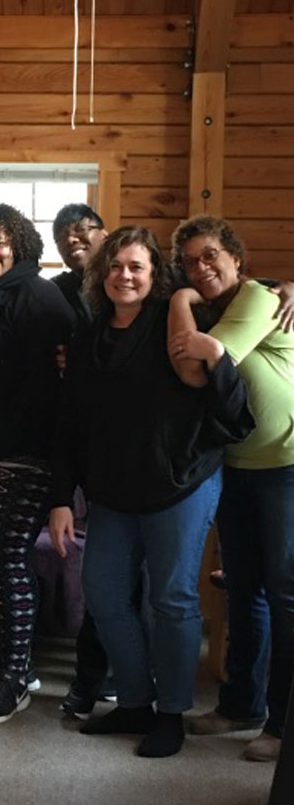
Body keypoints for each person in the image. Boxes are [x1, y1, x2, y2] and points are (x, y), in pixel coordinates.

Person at [49, 225, 253, 758]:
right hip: (114, 492)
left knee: (172, 600)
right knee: (106, 596)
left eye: (136, 266)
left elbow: (223, 380)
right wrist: (59, 498)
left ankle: (171, 712)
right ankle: (136, 700)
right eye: (115, 266)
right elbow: (70, 423)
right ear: (102, 274)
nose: (124, 276)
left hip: (181, 482)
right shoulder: (88, 335)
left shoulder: (179, 317)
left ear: (154, 274)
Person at [169, 215, 294, 763]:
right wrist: (186, 305)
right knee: (244, 590)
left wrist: (178, 301)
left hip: (287, 464)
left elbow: (198, 367)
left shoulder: (260, 298)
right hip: (238, 467)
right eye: (190, 261)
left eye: (211, 255)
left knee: (286, 595)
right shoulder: (218, 310)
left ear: (237, 259)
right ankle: (242, 706)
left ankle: (285, 724)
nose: (202, 266)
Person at [0, 203, 76, 724]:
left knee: (8, 560)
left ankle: (18, 676)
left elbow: (66, 385)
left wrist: (61, 484)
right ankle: (10, 662)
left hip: (25, 457)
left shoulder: (38, 295)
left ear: (20, 242)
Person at [51, 203, 116, 719]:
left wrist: (282, 286)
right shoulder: (57, 294)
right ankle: (90, 676)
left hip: (139, 450)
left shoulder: (141, 279)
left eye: (83, 231)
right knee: (95, 566)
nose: (73, 240)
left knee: (131, 575)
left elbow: (218, 279)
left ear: (105, 235)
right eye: (63, 236)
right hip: (81, 440)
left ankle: (126, 676)